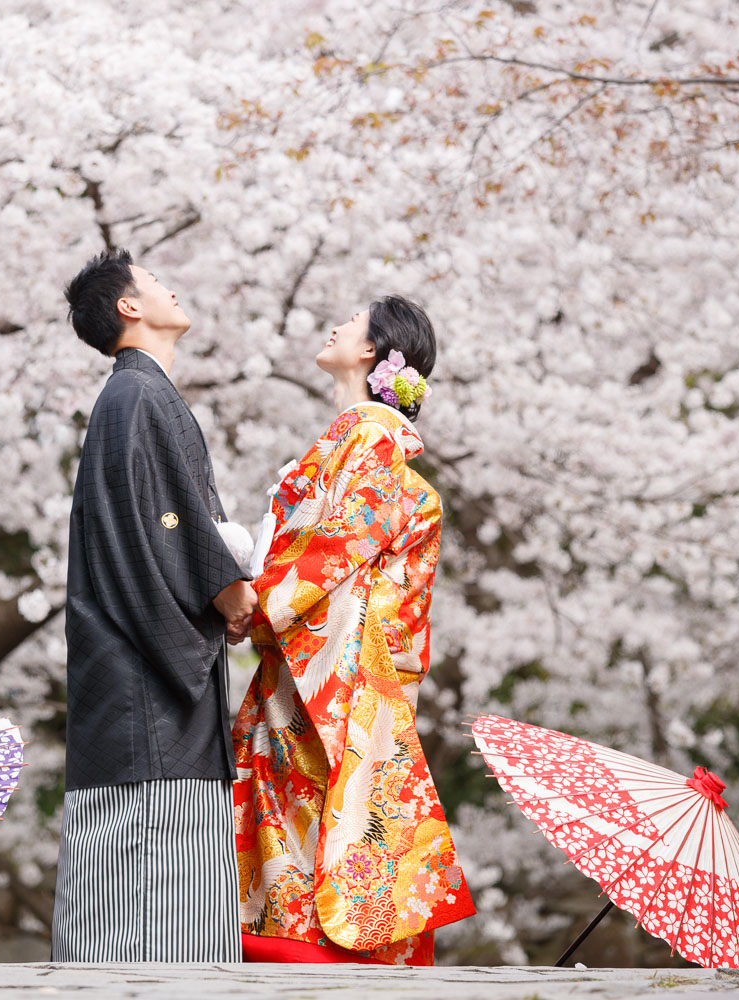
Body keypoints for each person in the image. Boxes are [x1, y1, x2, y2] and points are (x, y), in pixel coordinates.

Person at [231, 295, 475, 966]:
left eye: (352, 322)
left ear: (371, 351)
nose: (335, 326)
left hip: (332, 662)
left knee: (308, 814)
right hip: (333, 656)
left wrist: (253, 600)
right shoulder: (361, 436)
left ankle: (304, 956)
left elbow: (338, 541)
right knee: (318, 817)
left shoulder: (369, 435)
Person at [53, 247, 257, 962]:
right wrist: (229, 591)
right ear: (129, 306)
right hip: (146, 704)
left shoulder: (137, 397)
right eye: (156, 282)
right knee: (153, 908)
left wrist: (221, 587)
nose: (173, 289)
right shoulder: (136, 397)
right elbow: (163, 527)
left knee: (147, 901)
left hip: (147, 695)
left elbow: (166, 520)